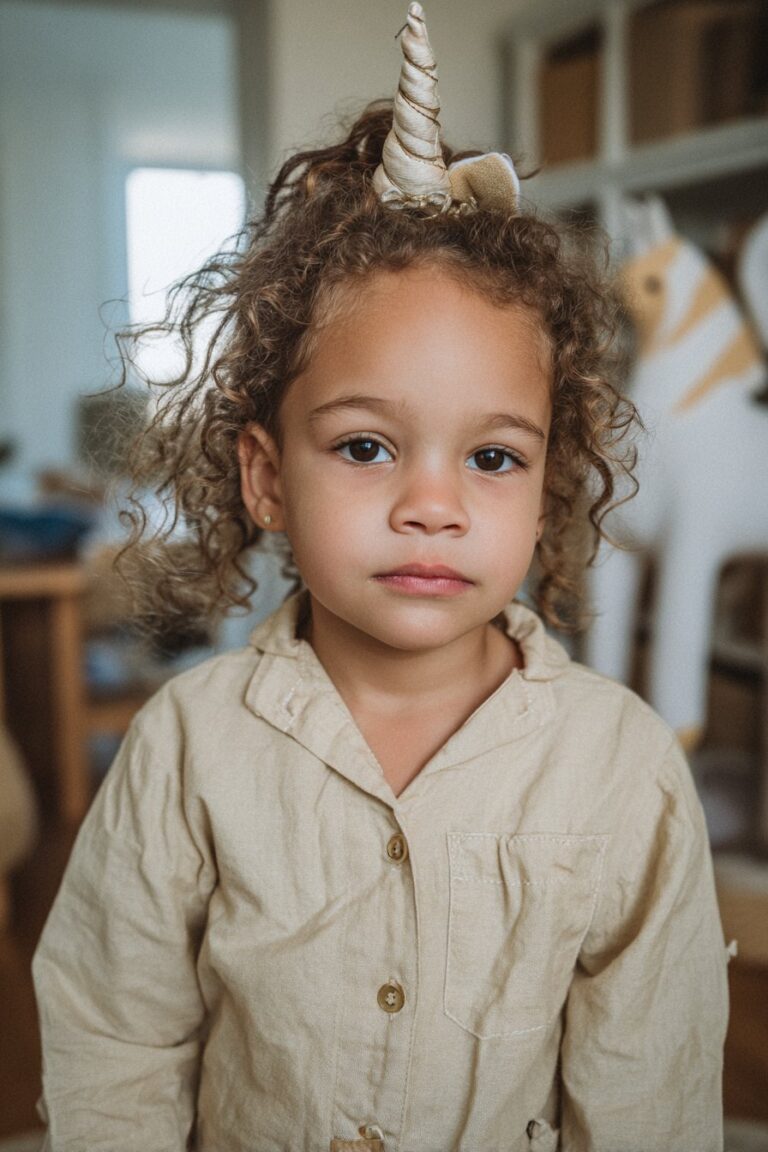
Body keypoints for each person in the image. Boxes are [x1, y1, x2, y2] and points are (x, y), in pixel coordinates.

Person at [32, 5, 730, 1150]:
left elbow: (648, 1086)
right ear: (266, 479)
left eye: (493, 457)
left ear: (548, 483)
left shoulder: (623, 769)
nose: (433, 503)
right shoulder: (187, 747)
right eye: (366, 446)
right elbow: (116, 1039)